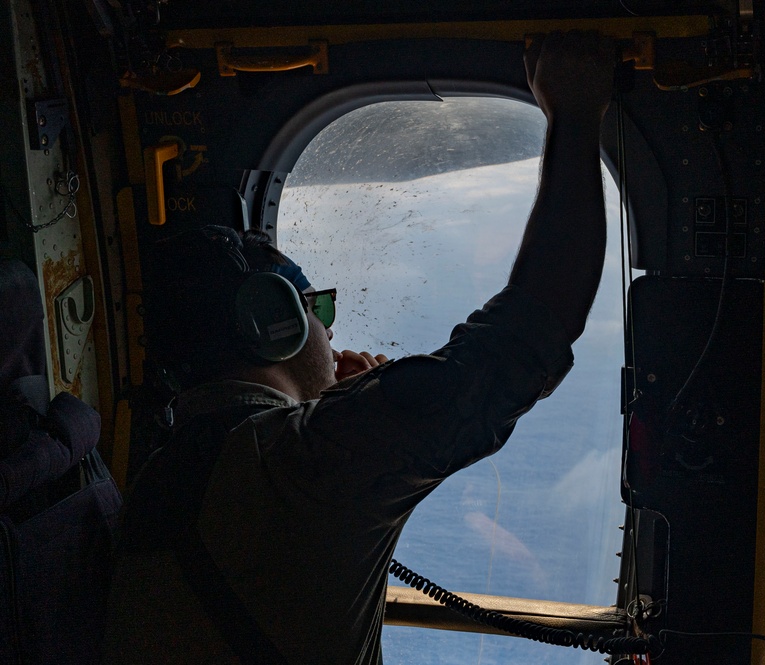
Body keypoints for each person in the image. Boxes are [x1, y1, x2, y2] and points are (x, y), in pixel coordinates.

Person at [102, 32, 616, 664]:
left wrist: (351, 413)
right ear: (273, 320)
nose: (334, 331)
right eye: (321, 308)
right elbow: (539, 320)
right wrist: (573, 112)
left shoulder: (162, 471)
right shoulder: (312, 461)